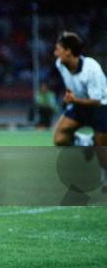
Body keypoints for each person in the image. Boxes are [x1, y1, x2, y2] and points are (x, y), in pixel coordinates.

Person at [52, 31, 107, 190]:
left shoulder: (92, 69)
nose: (55, 53)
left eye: (58, 49)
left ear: (68, 51)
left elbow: (96, 100)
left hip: (101, 107)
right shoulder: (60, 64)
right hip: (80, 105)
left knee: (102, 149)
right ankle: (86, 142)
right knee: (59, 138)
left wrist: (73, 99)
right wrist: (71, 97)